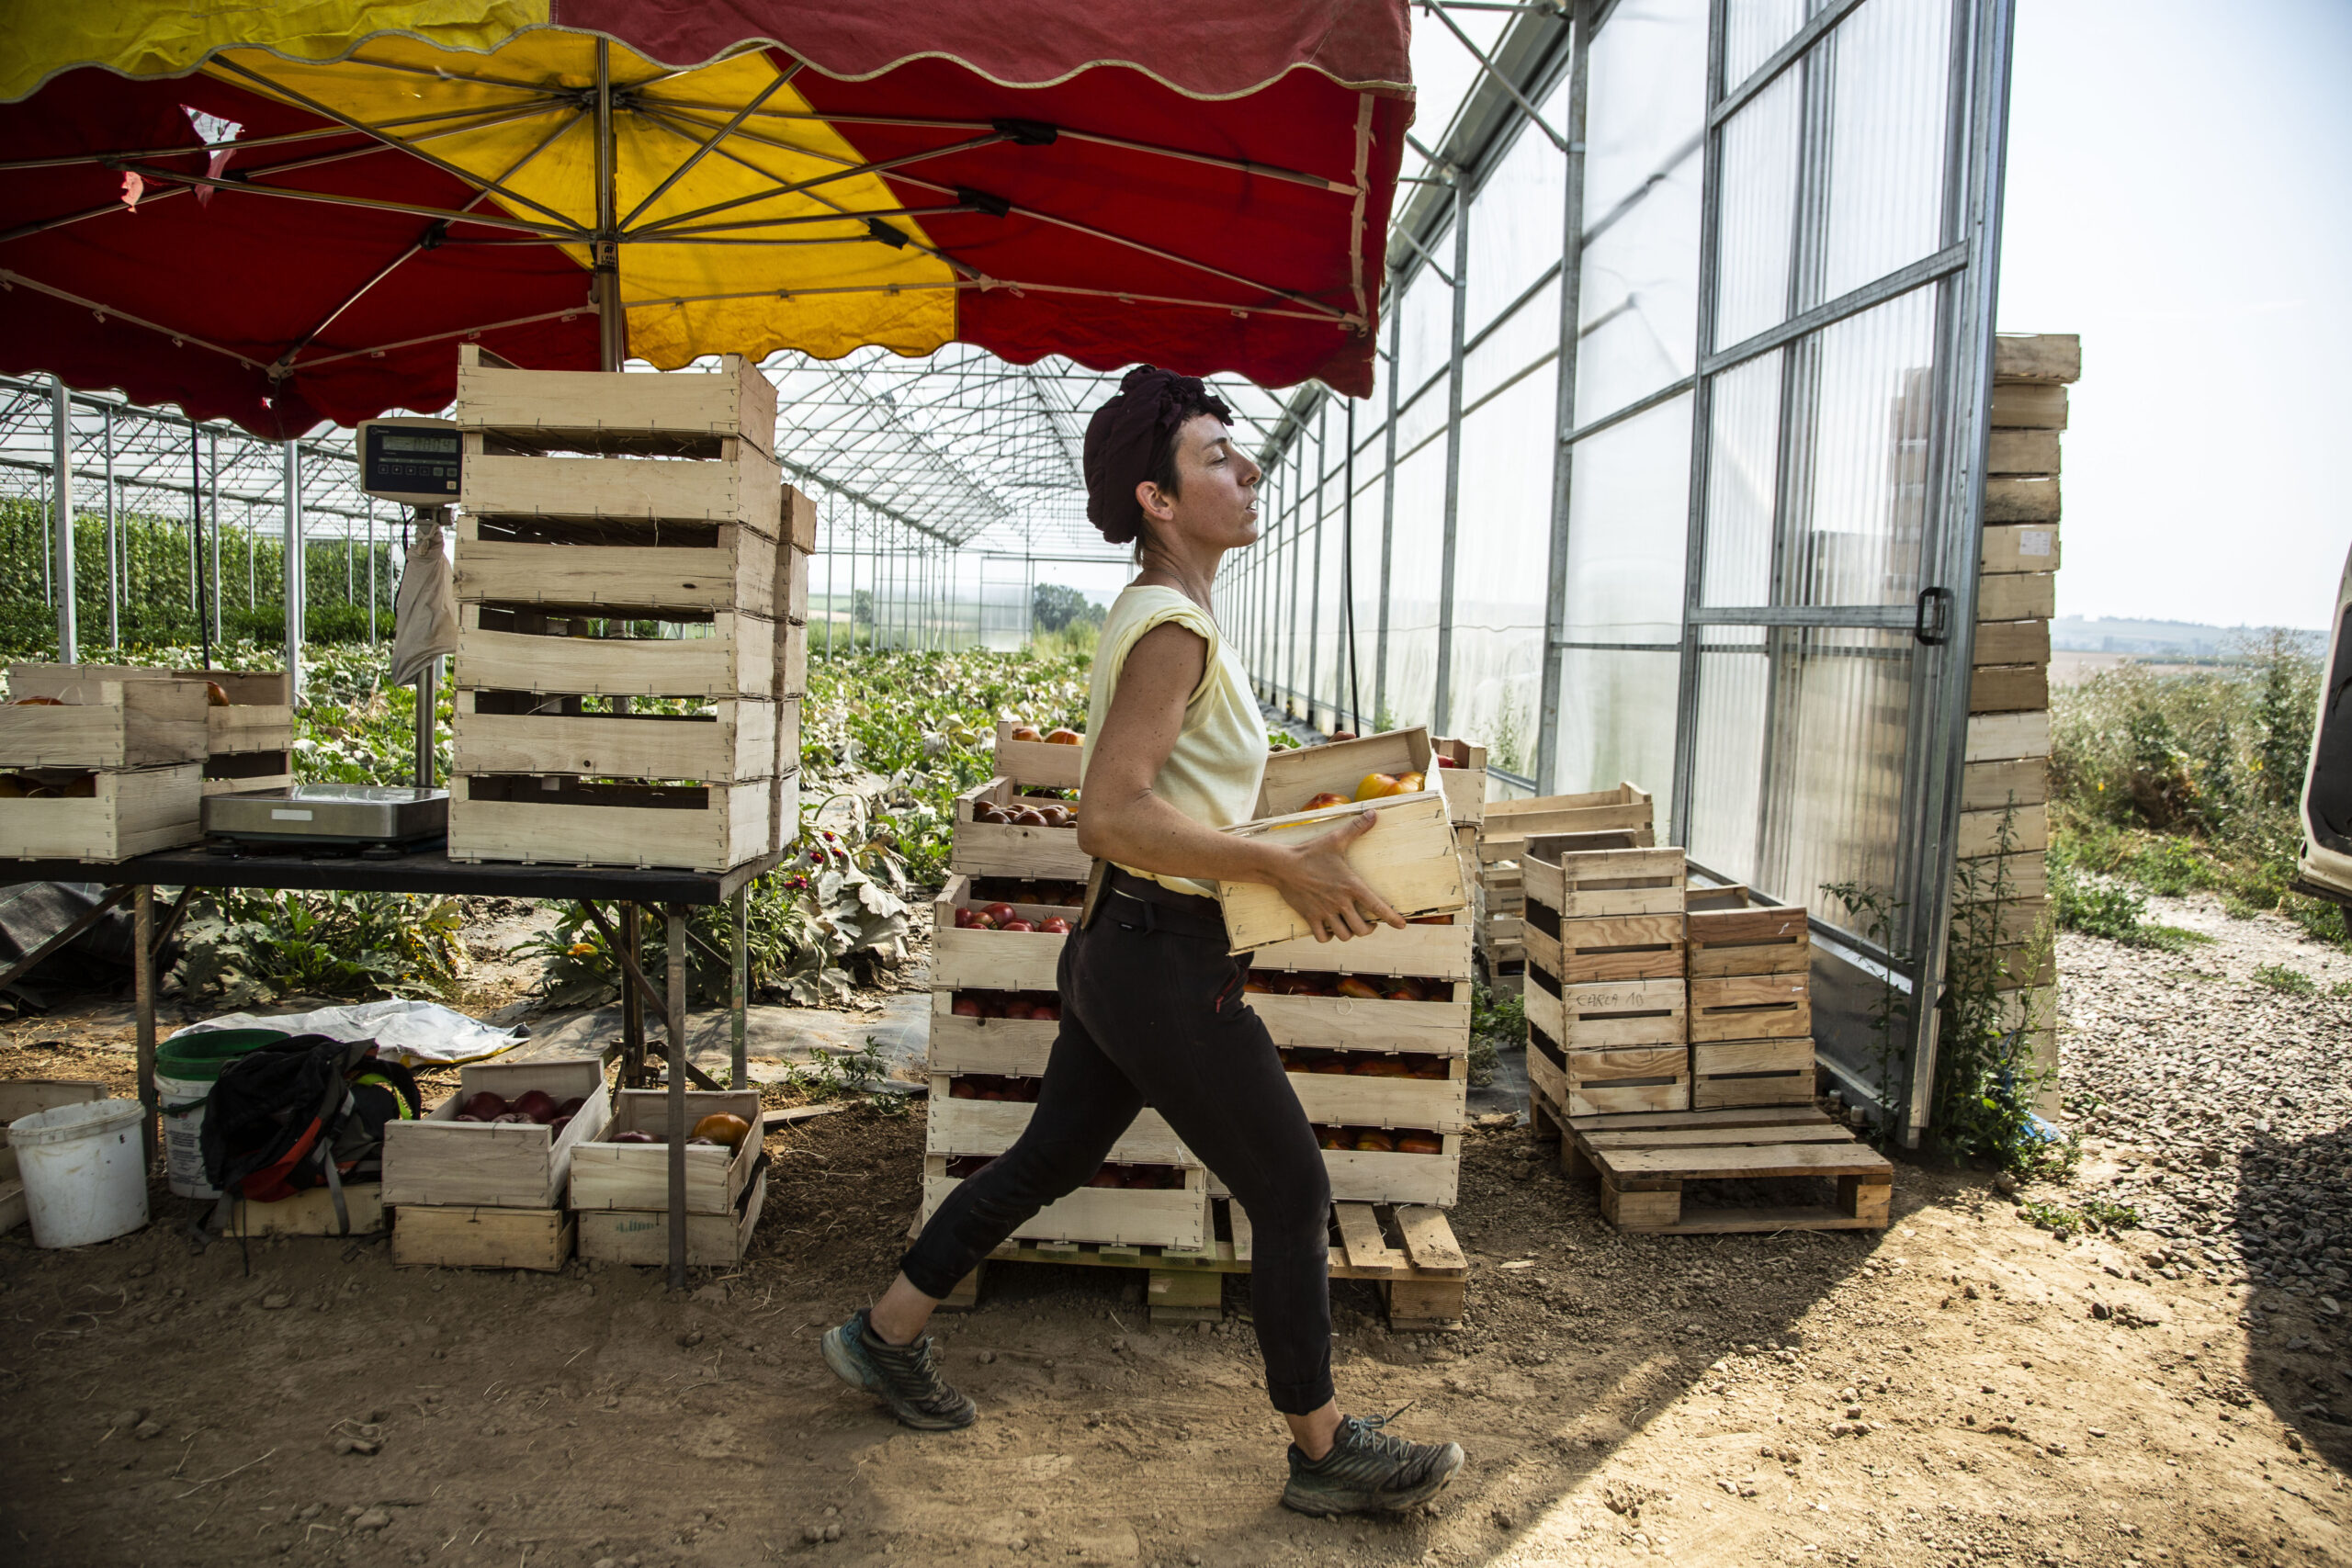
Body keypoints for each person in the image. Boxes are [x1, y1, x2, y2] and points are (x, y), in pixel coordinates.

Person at [821, 366, 1465, 1517]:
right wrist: (1279, 863)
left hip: (1125, 944)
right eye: (1218, 456)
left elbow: (1178, 794)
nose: (1248, 467)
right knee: (1291, 1191)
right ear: (1158, 501)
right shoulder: (1171, 625)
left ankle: (884, 1334)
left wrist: (1302, 819)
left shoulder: (1165, 610)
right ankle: (1322, 1451)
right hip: (1161, 953)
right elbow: (1109, 813)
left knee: (1048, 1159)